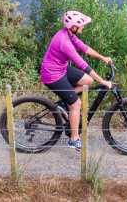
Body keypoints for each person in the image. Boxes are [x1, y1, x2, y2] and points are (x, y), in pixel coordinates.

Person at [40, 10, 113, 150]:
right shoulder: (64, 42)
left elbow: (85, 49)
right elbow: (83, 65)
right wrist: (102, 81)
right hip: (52, 75)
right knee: (76, 104)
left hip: (61, 69)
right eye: (81, 25)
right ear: (73, 26)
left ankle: (64, 102)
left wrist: (103, 58)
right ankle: (73, 139)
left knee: (88, 81)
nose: (83, 27)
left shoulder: (68, 33)